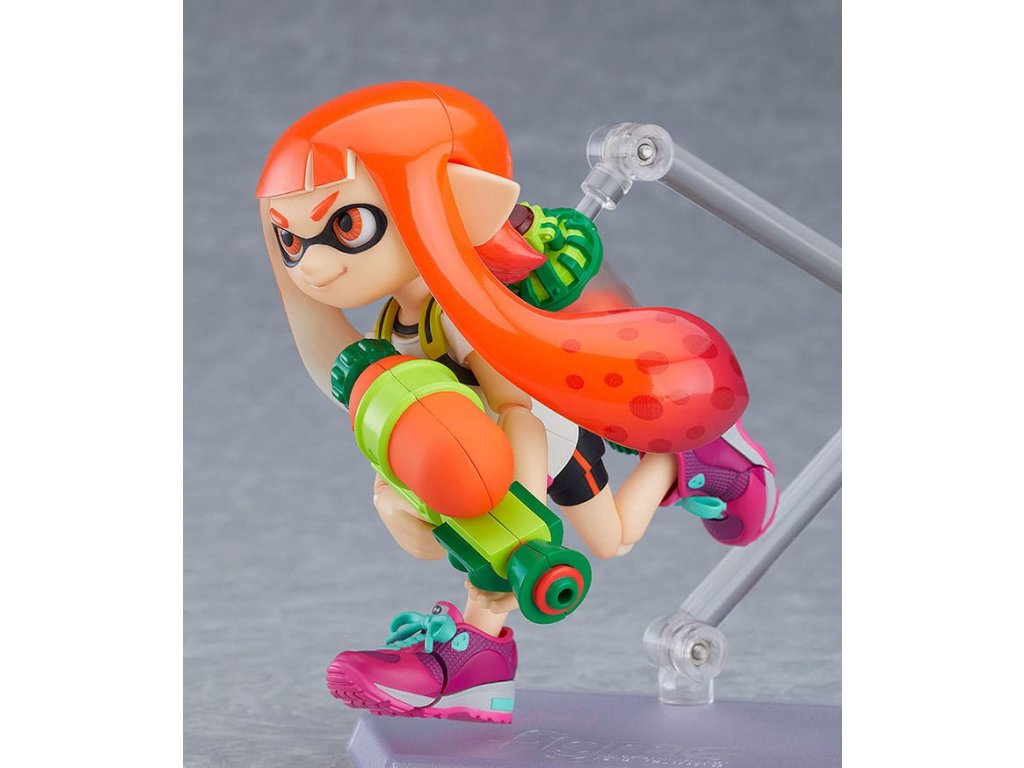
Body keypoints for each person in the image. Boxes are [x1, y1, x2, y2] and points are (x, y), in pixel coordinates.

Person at [256, 82, 777, 722]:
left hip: (548, 442)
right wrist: (397, 494)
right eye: (292, 241)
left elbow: (518, 414)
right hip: (486, 457)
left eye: (347, 225)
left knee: (605, 541)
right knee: (562, 543)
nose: (313, 267)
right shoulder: (393, 325)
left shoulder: (458, 315)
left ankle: (687, 458)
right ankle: (479, 667)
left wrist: (519, 504)